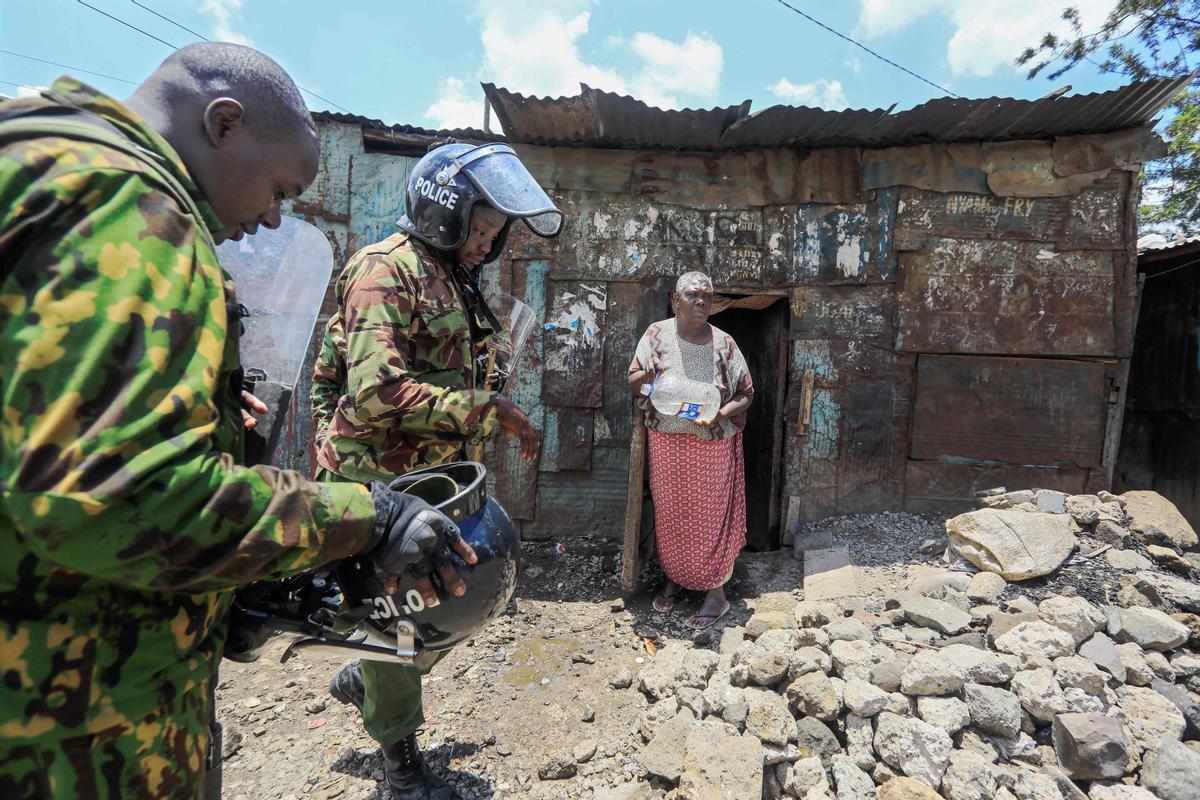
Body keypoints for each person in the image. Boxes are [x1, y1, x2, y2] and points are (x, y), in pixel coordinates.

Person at [0, 43, 467, 800]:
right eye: (281, 188)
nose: (272, 216)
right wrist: (365, 515)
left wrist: (210, 419)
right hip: (66, 730)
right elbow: (115, 494)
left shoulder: (38, 157)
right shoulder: (135, 209)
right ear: (225, 124)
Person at [310, 141, 561, 799]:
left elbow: (456, 362)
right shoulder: (383, 270)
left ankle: (368, 681)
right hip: (378, 483)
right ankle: (401, 768)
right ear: (442, 210)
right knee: (397, 616)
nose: (486, 244)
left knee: (459, 599)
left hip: (435, 477)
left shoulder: (454, 277)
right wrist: (487, 408)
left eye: (494, 234)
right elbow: (372, 392)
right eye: (478, 229)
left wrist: (491, 370)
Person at [627, 271, 753, 628]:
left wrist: (718, 416)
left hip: (710, 447)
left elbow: (747, 393)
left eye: (707, 297)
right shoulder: (656, 334)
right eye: (694, 295)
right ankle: (676, 577)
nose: (701, 302)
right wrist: (647, 377)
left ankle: (716, 594)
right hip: (667, 443)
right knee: (671, 516)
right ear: (675, 300)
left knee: (708, 519)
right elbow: (634, 384)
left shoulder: (724, 343)